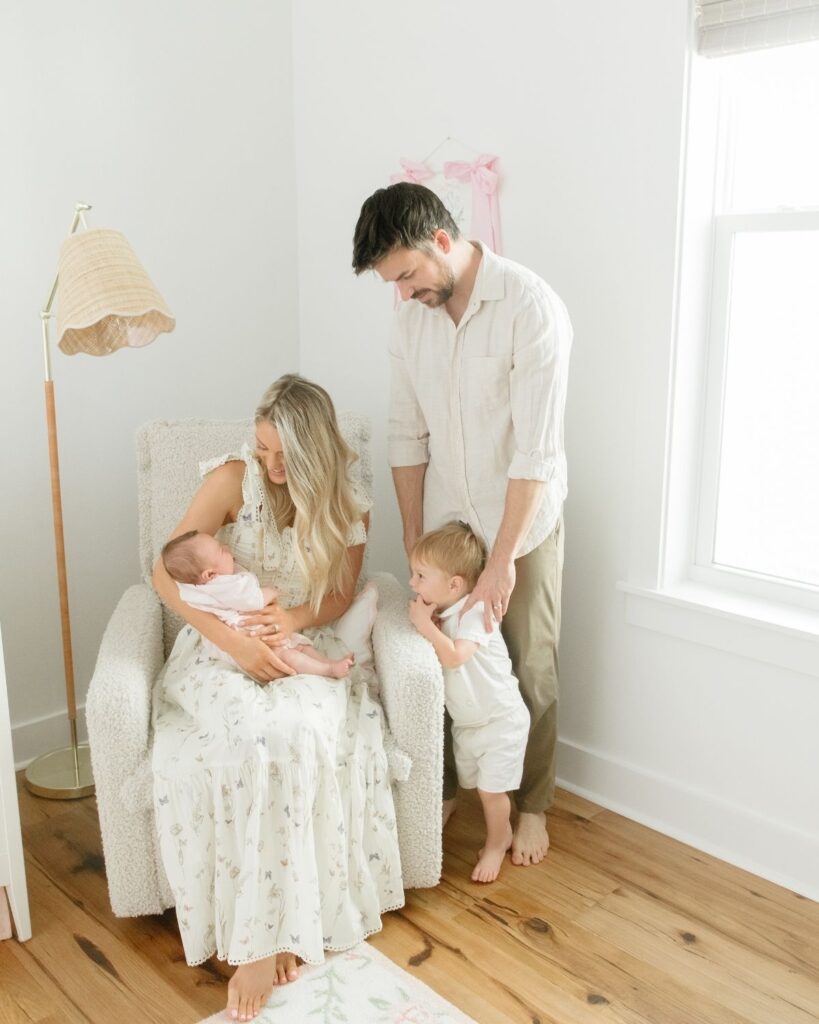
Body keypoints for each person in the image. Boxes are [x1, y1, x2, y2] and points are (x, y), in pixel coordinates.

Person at [151, 375, 403, 1024]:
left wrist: (288, 626)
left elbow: (342, 596)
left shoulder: (349, 501)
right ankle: (261, 943)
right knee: (248, 739)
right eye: (261, 449)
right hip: (218, 648)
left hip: (298, 637)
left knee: (295, 736)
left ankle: (287, 920)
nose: (268, 464)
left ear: (314, 449)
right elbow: (163, 567)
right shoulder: (233, 481)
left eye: (281, 455)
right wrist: (235, 646)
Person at [352, 182, 572, 867]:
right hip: (447, 524)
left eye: (409, 275)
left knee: (527, 668)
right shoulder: (409, 320)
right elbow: (404, 435)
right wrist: (418, 541)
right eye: (392, 283)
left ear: (442, 241)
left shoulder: (528, 307)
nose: (405, 292)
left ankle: (530, 806)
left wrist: (503, 559)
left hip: (521, 521)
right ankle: (445, 789)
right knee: (434, 663)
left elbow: (535, 450)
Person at [407, 522, 529, 883]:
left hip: (500, 720)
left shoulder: (473, 612)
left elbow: (456, 657)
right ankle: (499, 831)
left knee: (492, 792)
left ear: (454, 585)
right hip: (468, 725)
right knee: (478, 787)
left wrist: (424, 625)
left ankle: (497, 841)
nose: (413, 584)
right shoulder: (441, 615)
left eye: (420, 576)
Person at [161, 529, 355, 678]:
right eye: (221, 550)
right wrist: (271, 591)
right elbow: (251, 600)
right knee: (291, 655)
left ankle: (330, 664)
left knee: (300, 646)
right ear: (210, 574)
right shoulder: (223, 585)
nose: (227, 549)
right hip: (251, 638)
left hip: (260, 631)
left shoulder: (194, 588)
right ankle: (327, 670)